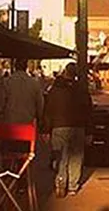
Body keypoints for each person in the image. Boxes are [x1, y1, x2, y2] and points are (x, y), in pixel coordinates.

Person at [42, 63, 94, 197]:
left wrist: (46, 130)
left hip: (58, 127)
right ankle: (72, 186)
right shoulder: (81, 90)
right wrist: (89, 131)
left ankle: (60, 181)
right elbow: (88, 111)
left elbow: (48, 111)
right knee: (76, 158)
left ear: (65, 72)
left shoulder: (54, 90)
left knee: (60, 157)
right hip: (78, 127)